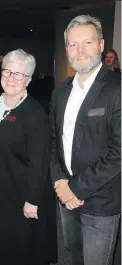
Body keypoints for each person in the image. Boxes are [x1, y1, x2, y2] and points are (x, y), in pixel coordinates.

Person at [50, 15, 121, 265]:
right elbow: (53, 140)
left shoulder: (117, 88)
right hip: (65, 197)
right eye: (73, 44)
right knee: (75, 255)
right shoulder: (61, 90)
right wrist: (60, 181)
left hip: (101, 200)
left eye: (87, 43)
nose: (80, 51)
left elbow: (119, 154)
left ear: (101, 45)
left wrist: (75, 188)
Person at [0, 49, 57, 265]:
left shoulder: (34, 113)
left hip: (19, 191)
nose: (11, 78)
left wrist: (32, 201)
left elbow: (39, 162)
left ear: (28, 80)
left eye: (18, 74)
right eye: (7, 71)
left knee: (19, 246)